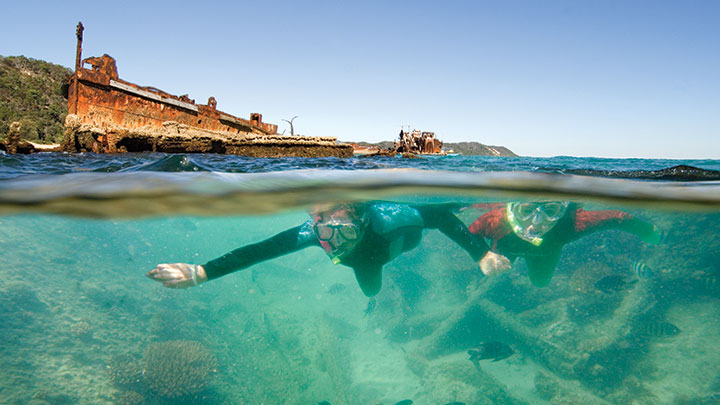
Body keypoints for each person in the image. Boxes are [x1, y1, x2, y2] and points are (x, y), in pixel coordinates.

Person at [147, 201, 504, 297]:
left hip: (400, 245)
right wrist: (202, 272)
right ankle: (377, 288)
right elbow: (262, 250)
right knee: (371, 289)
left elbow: (441, 215)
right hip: (363, 264)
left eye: (333, 215)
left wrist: (481, 254)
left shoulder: (393, 219)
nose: (323, 226)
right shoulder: (312, 232)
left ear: (359, 213)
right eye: (316, 216)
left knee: (374, 280)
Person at [468, 201, 663, 287]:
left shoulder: (570, 224)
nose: (536, 222)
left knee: (540, 283)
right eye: (526, 210)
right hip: (505, 252)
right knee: (486, 273)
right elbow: (469, 234)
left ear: (562, 211)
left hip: (544, 255)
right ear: (513, 208)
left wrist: (651, 233)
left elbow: (616, 218)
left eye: (551, 211)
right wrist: (483, 255)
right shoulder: (496, 219)